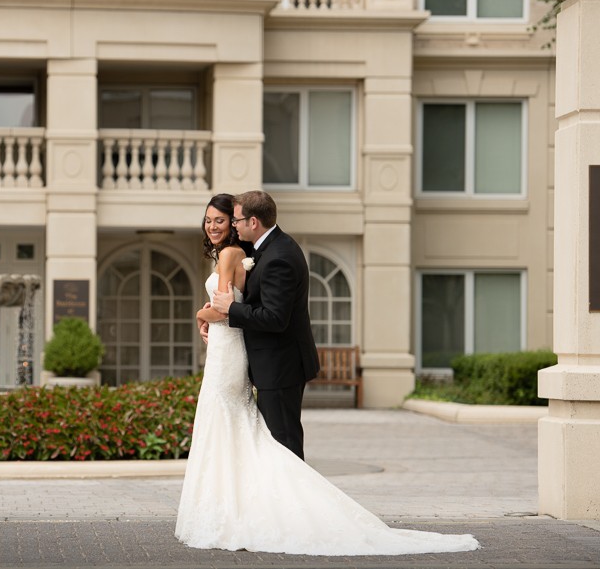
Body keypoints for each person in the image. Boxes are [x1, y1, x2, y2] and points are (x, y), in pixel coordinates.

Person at [175, 191, 479, 555]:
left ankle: (300, 523)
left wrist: (208, 313)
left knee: (282, 446)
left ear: (250, 222)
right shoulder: (263, 251)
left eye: (231, 220)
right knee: (270, 444)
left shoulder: (277, 257)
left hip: (279, 365)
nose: (226, 227)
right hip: (258, 360)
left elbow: (268, 316)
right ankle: (282, 517)